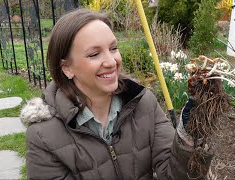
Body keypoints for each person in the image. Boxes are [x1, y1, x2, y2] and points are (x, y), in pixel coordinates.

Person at [20, 8, 213, 180]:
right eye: (94, 54)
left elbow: (174, 175)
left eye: (113, 48)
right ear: (67, 68)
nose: (111, 62)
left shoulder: (144, 104)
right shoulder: (44, 136)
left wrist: (188, 139)